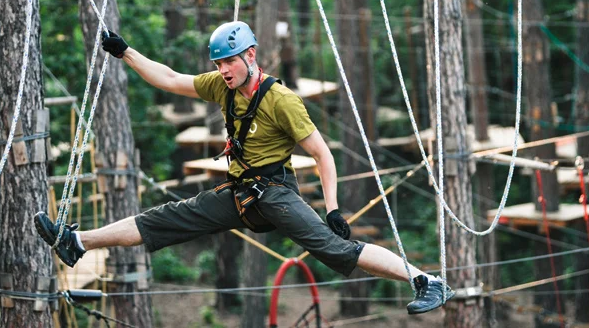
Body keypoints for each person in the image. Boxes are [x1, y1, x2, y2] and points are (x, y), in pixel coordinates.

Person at [34, 21, 454, 314]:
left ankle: (426, 281)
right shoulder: (222, 85)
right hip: (239, 194)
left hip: (276, 194)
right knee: (164, 218)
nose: (222, 71)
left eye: (229, 62)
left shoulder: (282, 101)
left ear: (250, 55)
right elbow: (168, 78)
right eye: (218, 64)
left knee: (335, 249)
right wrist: (125, 53)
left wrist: (332, 209)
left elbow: (324, 155)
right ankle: (77, 242)